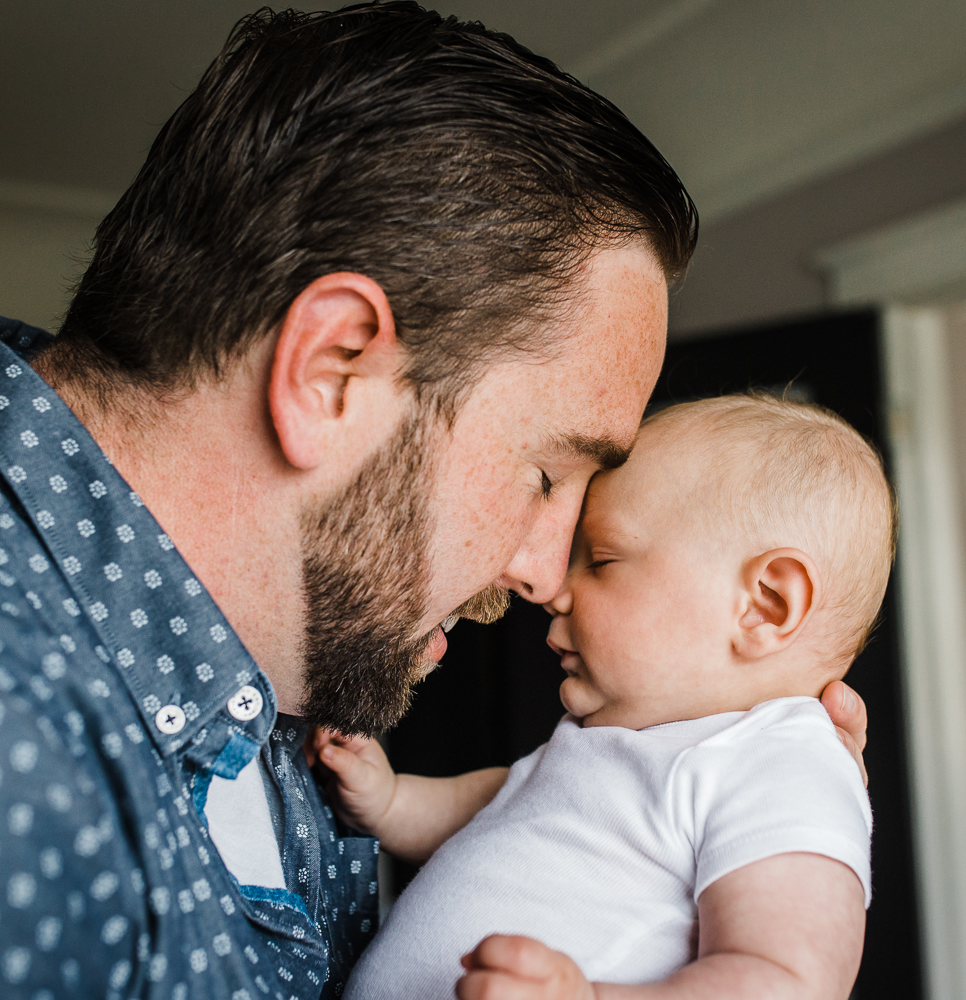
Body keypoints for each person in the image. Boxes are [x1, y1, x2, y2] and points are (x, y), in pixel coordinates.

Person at [0, 5, 869, 999]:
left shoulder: (276, 651)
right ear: (333, 369)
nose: (544, 571)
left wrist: (695, 868)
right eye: (546, 475)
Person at [317, 393, 893, 1000]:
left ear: (765, 604)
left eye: (605, 558)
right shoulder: (622, 742)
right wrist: (394, 803)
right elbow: (510, 807)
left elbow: (787, 983)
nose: (555, 588)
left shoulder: (783, 764)